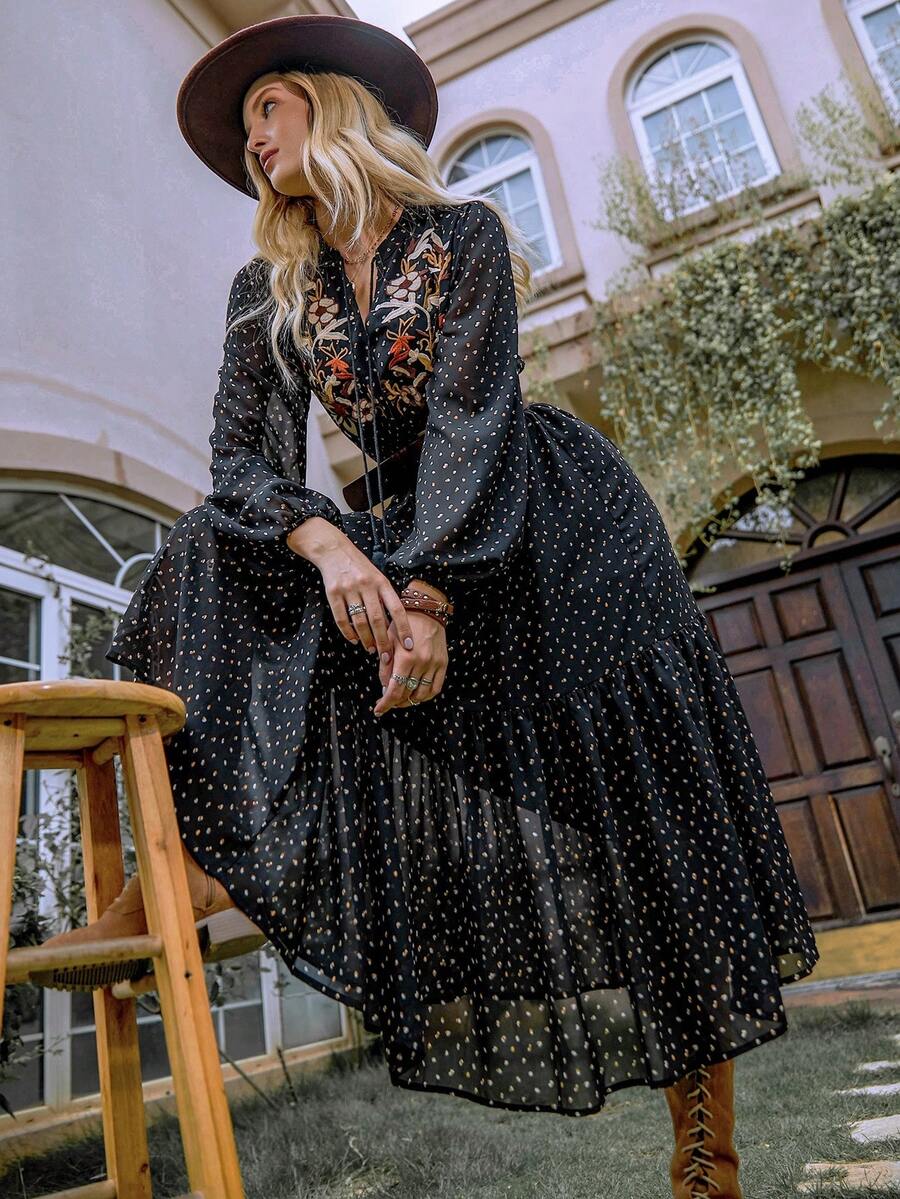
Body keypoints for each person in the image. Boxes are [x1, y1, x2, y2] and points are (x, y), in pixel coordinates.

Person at [40, 14, 819, 1194]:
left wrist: (431, 596)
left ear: (329, 102)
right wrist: (326, 546)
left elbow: (470, 420)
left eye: (267, 109)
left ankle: (706, 1150)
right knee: (205, 550)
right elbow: (241, 461)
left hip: (547, 525)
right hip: (399, 526)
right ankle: (184, 871)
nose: (254, 140)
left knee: (636, 815)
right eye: (244, 127)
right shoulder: (269, 289)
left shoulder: (461, 235)